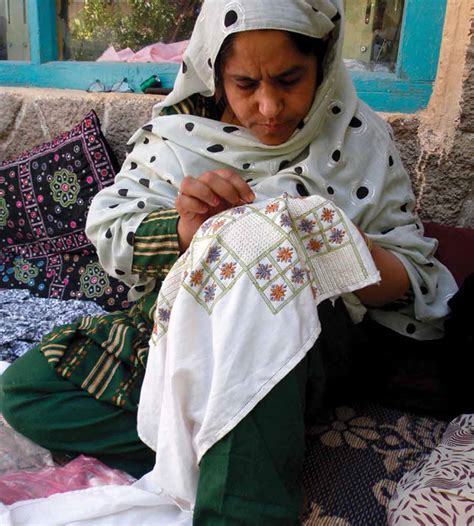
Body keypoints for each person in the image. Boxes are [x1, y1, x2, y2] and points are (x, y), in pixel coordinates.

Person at [0, 0, 457, 523]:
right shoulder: (179, 136)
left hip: (302, 344)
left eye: (290, 79)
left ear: (324, 62)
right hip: (180, 332)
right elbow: (110, 229)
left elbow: (415, 279)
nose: (269, 107)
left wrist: (336, 245)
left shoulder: (359, 138)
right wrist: (185, 229)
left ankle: (242, 504)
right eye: (245, 85)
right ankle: (225, 454)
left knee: (260, 265)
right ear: (215, 76)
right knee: (28, 391)